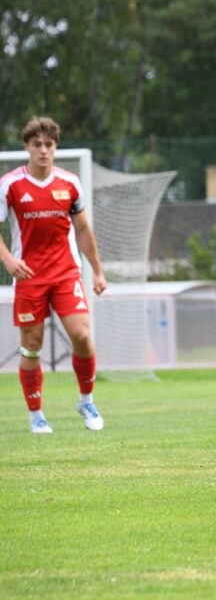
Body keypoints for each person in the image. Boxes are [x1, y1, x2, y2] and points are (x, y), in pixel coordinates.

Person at [0, 117, 107, 434]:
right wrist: (8, 259)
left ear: (55, 147)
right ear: (27, 147)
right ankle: (36, 415)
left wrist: (98, 272)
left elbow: (84, 230)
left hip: (65, 273)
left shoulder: (70, 183)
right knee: (31, 346)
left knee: (83, 336)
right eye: (37, 145)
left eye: (49, 145)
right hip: (29, 275)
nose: (43, 151)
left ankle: (86, 399)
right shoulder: (10, 185)